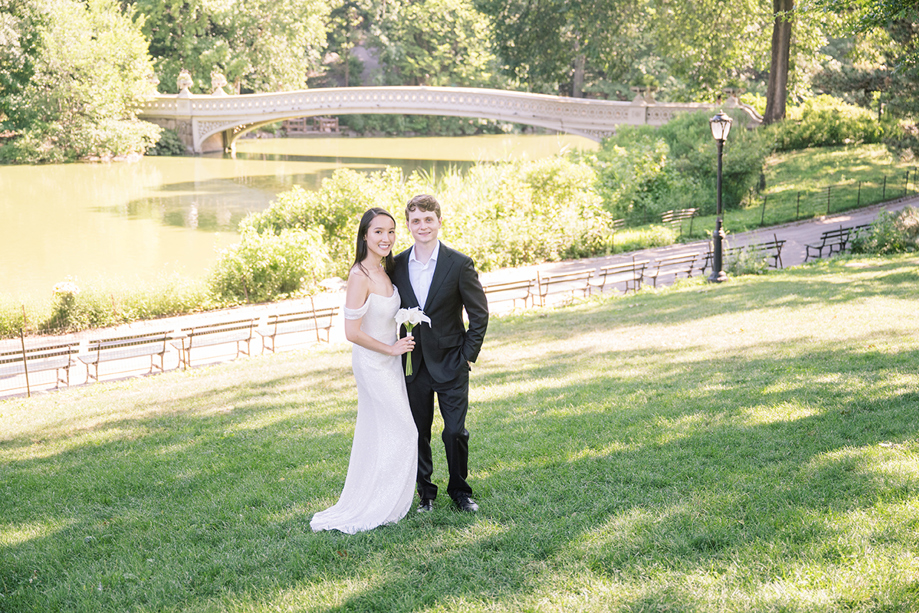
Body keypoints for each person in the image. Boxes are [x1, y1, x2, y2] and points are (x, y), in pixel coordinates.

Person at [310, 208, 418, 534]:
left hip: (391, 362)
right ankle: (379, 504)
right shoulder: (359, 276)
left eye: (391, 232)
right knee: (404, 429)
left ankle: (386, 500)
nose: (386, 238)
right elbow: (351, 332)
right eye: (378, 232)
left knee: (382, 430)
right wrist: (391, 349)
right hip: (374, 363)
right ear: (365, 236)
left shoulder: (387, 270)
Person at [392, 194, 489, 513]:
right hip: (412, 364)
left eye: (428, 219)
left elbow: (480, 314)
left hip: (452, 362)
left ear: (439, 221)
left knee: (454, 432)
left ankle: (460, 491)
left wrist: (466, 355)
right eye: (415, 220)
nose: (422, 226)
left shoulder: (459, 264)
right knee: (418, 433)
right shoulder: (395, 265)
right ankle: (425, 493)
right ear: (407, 226)